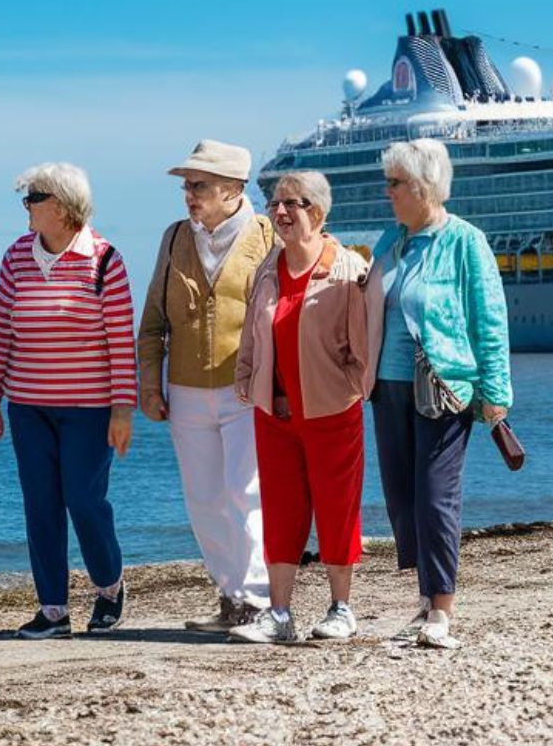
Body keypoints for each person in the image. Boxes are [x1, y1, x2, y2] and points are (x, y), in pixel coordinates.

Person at [365, 138, 512, 649]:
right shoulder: (392, 240)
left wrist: (494, 391)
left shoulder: (466, 242)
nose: (387, 193)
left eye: (395, 184)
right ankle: (426, 600)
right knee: (402, 499)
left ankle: (442, 609)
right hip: (387, 387)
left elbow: (488, 319)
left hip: (444, 387)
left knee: (434, 496)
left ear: (424, 187)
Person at [0, 162, 135, 639]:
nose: (26, 206)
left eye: (35, 197)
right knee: (40, 504)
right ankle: (53, 609)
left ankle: (109, 588)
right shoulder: (15, 257)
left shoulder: (104, 259)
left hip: (89, 409)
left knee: (85, 501)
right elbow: (1, 330)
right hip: (28, 407)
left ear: (65, 208)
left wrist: (123, 409)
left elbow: (120, 341)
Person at [136, 139, 277, 632]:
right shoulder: (175, 238)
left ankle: (259, 599)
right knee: (203, 499)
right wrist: (148, 387)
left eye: (199, 185)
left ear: (234, 189)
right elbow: (153, 321)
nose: (188, 195)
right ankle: (232, 597)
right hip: (187, 390)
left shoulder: (266, 236)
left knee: (247, 492)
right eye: (186, 186)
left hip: (248, 389)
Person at [226, 171, 370, 644]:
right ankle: (281, 614)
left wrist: (344, 387)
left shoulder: (347, 270)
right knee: (282, 510)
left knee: (336, 508)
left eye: (294, 203)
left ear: (319, 213)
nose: (281, 211)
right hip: (275, 412)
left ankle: (341, 608)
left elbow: (361, 349)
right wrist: (247, 378)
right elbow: (252, 332)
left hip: (330, 411)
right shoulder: (267, 269)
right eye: (275, 203)